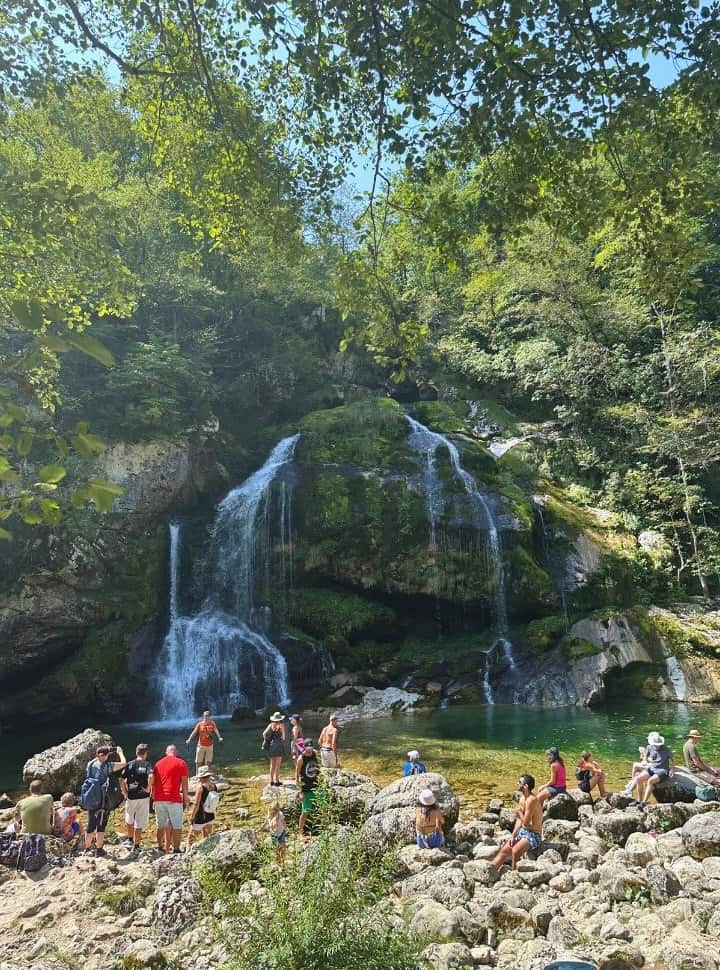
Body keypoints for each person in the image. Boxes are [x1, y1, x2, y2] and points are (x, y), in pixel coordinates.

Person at [83, 744, 127, 856]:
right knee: (101, 825)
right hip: (103, 800)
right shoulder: (107, 766)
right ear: (106, 756)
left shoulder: (90, 764)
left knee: (90, 824)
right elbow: (124, 763)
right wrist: (120, 752)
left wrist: (105, 751)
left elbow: (98, 756)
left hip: (91, 797)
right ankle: (99, 849)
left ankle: (87, 849)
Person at [492, 774, 543, 870]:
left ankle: (514, 875)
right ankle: (491, 870)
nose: (517, 783)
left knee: (515, 851)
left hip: (534, 834)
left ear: (525, 786)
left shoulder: (531, 800)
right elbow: (520, 821)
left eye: (519, 782)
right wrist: (513, 835)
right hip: (524, 831)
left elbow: (526, 823)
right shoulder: (522, 798)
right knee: (504, 851)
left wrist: (519, 813)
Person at [153, 744, 189, 853]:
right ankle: (176, 849)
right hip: (174, 799)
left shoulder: (158, 764)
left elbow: (153, 782)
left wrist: (154, 797)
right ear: (176, 752)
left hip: (159, 798)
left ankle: (160, 847)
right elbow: (184, 783)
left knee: (160, 825)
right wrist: (186, 798)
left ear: (166, 752)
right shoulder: (181, 763)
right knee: (177, 825)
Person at [122, 743, 154, 853]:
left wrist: (125, 792)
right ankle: (136, 846)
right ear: (145, 753)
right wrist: (148, 788)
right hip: (143, 796)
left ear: (136, 752)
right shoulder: (147, 764)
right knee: (139, 821)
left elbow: (121, 779)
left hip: (131, 796)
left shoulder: (130, 764)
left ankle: (130, 840)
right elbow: (151, 776)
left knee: (129, 817)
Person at [626, 731, 674, 806]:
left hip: (662, 770)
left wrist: (672, 769)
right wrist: (645, 759)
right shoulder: (649, 747)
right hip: (652, 768)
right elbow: (646, 756)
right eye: (656, 745)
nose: (657, 746)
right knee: (638, 778)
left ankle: (644, 803)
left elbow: (673, 760)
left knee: (650, 781)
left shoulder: (666, 749)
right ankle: (639, 800)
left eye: (659, 745)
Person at [296, 738, 322, 840]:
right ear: (304, 748)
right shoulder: (301, 759)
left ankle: (325, 829)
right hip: (306, 788)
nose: (309, 750)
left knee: (323, 807)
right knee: (305, 811)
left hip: (317, 786)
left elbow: (319, 766)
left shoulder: (315, 754)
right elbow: (297, 775)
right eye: (308, 748)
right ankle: (300, 833)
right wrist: (300, 791)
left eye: (311, 747)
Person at [186, 765, 217, 849]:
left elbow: (196, 804)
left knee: (190, 839)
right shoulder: (214, 786)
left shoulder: (200, 787)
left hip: (200, 816)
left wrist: (192, 817)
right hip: (210, 816)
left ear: (201, 777)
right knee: (207, 838)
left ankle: (187, 856)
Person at [262, 712, 286, 786]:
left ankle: (271, 781)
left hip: (271, 746)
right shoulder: (281, 725)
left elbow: (264, 734)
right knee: (278, 765)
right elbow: (283, 738)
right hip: (278, 746)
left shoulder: (270, 725)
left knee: (272, 764)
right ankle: (277, 781)